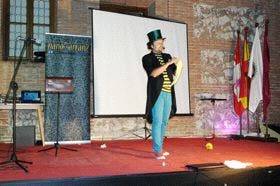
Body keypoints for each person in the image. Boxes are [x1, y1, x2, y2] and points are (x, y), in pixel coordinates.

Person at [142, 29, 178, 160]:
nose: (160, 45)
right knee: (157, 121)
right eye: (157, 43)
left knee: (164, 122)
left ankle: (160, 147)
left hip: (169, 92)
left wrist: (178, 64)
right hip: (157, 93)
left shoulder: (166, 55)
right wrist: (168, 63)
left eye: (161, 42)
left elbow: (175, 71)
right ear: (151, 45)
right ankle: (157, 150)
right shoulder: (147, 58)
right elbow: (154, 73)